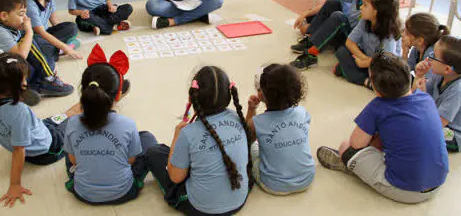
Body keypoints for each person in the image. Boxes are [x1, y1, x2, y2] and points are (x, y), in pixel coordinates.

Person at [0, 50, 82, 207]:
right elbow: (19, 151)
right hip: (47, 149)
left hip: (40, 129)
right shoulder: (19, 111)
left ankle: (84, 107)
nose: (26, 81)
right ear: (18, 85)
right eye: (24, 78)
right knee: (77, 121)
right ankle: (102, 100)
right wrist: (14, 185)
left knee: (66, 115)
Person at [317, 51, 449, 204]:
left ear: (375, 87)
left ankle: (350, 165)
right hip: (438, 182)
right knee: (389, 133)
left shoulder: (378, 106)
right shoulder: (424, 98)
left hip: (408, 191)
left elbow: (356, 144)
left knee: (345, 148)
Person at [145, 66, 252, 215]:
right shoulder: (237, 117)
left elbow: (175, 177)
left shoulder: (188, 133)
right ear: (229, 95)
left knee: (154, 152)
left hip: (201, 208)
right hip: (240, 200)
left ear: (192, 97)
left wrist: (177, 135)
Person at [64, 45, 158, 205]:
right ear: (119, 94)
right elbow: (130, 160)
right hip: (123, 192)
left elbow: (73, 161)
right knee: (148, 139)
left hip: (83, 192)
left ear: (84, 93)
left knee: (69, 150)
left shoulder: (72, 123)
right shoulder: (127, 124)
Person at [290, 0, 390, 69]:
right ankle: (312, 38)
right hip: (347, 31)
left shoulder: (369, 10)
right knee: (332, 2)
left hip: (353, 38)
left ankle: (311, 54)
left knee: (338, 17)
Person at [0, 0, 74, 101]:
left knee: (35, 50)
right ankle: (48, 79)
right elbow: (21, 57)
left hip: (10, 72)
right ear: (4, 16)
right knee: (30, 43)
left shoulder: (9, 26)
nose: (26, 18)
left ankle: (32, 87)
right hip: (2, 77)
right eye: (21, 14)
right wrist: (29, 31)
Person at [246, 64, 315, 195]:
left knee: (252, 148)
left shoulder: (258, 122)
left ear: (262, 94)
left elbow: (246, 139)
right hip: (307, 179)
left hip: (273, 185)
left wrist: (251, 109)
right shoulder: (302, 113)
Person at [414, 35, 461, 152]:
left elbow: (435, 125)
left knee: (415, 132)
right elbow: (414, 96)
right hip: (438, 119)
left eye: (433, 56)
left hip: (456, 134)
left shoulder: (459, 90)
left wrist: (422, 95)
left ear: (447, 69)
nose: (429, 58)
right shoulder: (439, 74)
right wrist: (419, 75)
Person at [334, 0, 402, 88]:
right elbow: (350, 42)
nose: (361, 7)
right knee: (341, 51)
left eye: (365, 5)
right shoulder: (365, 20)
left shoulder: (389, 33)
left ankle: (365, 81)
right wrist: (363, 58)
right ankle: (357, 74)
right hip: (368, 59)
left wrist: (364, 63)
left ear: (376, 12)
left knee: (387, 77)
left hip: (383, 66)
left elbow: (387, 61)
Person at [14, 0, 82, 66]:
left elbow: (54, 21)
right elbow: (41, 33)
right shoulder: (29, 4)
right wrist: (66, 48)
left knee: (72, 27)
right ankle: (58, 50)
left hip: (45, 34)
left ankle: (57, 49)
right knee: (42, 47)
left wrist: (62, 32)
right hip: (33, 39)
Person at [403, 12, 450, 80]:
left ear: (420, 41)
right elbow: (405, 70)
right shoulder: (417, 48)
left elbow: (424, 86)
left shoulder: (431, 55)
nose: (403, 34)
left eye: (406, 33)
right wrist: (405, 51)